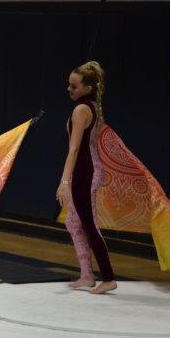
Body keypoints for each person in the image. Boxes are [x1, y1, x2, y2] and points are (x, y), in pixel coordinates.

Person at [56, 61, 116, 295]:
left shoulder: (81, 109)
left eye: (74, 86)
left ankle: (108, 278)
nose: (68, 89)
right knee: (73, 222)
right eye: (69, 84)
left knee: (89, 224)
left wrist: (64, 181)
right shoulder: (92, 106)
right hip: (87, 169)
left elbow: (74, 149)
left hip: (86, 172)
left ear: (88, 88)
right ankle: (87, 275)